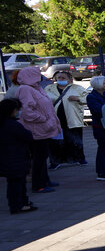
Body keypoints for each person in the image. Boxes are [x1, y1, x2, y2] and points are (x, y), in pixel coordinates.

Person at [14, 66, 60, 194]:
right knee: (39, 157)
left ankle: (45, 180)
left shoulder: (37, 88)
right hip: (36, 129)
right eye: (37, 74)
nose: (40, 76)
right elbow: (27, 111)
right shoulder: (25, 89)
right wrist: (43, 119)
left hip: (44, 129)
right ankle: (38, 184)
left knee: (43, 155)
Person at [44, 72, 87, 167]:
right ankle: (55, 161)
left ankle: (79, 158)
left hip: (72, 118)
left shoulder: (77, 88)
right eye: (59, 77)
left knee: (75, 140)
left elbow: (87, 98)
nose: (61, 79)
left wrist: (78, 98)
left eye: (63, 77)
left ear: (70, 79)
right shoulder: (49, 88)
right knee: (55, 142)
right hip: (55, 119)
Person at [0, 99, 35, 214]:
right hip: (16, 158)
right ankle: (18, 205)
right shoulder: (12, 125)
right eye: (17, 110)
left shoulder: (4, 123)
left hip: (7, 158)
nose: (18, 112)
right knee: (17, 184)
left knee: (14, 183)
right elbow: (28, 136)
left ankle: (21, 203)